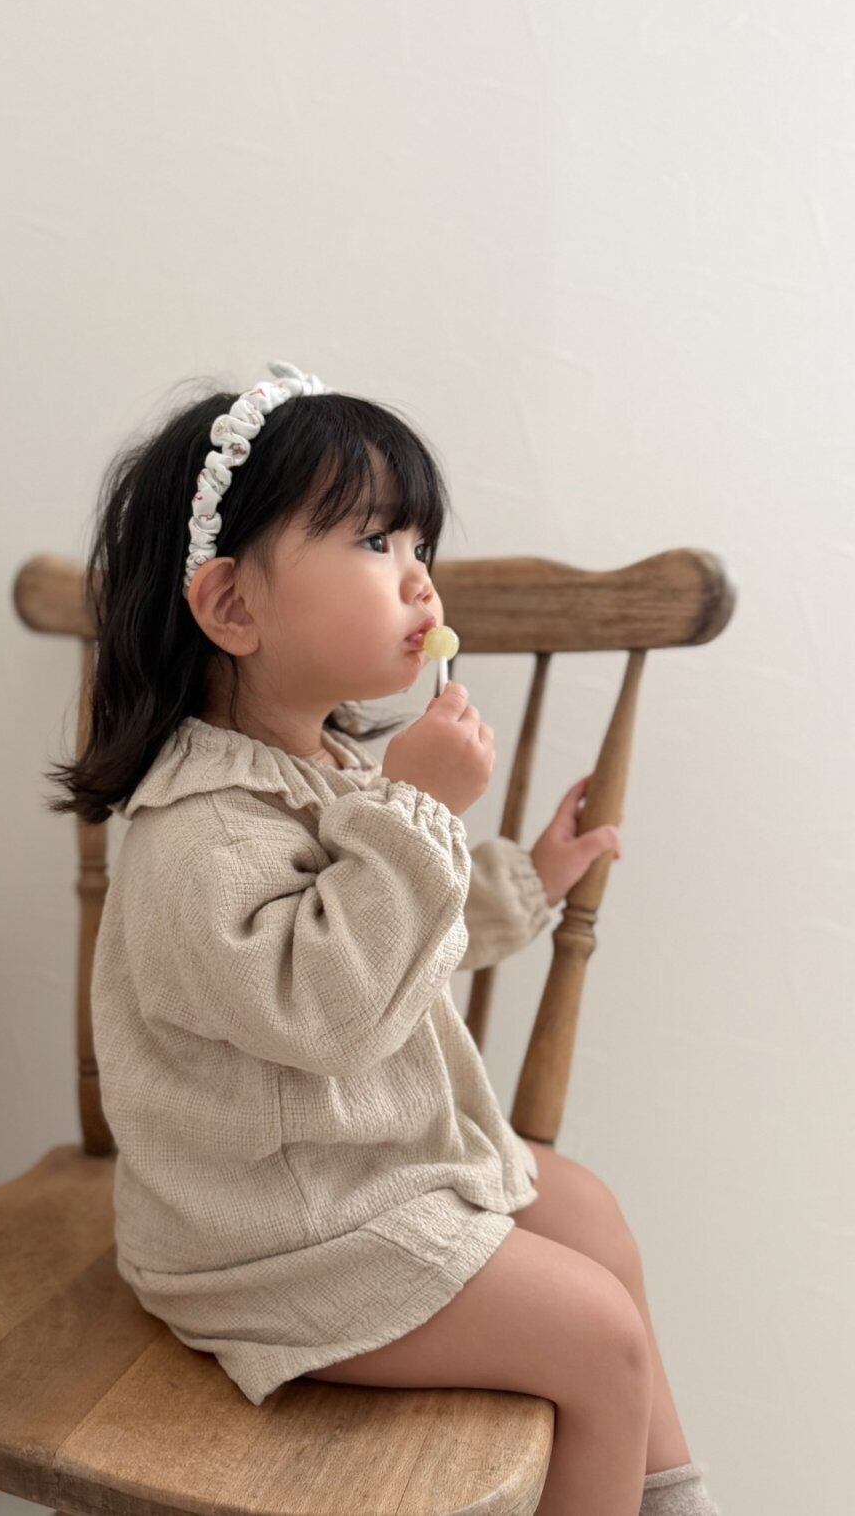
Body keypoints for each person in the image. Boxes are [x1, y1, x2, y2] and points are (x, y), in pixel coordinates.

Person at [47, 363, 720, 1516]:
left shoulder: (322, 767)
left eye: (418, 544)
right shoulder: (199, 834)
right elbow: (328, 1008)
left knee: (589, 1216)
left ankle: (665, 1500)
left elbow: (405, 943)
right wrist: (416, 813)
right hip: (269, 1237)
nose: (417, 577)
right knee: (598, 1337)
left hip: (364, 1171)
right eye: (372, 541)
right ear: (231, 608)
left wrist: (527, 879)